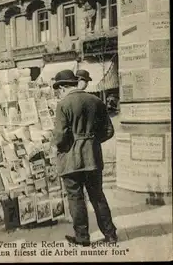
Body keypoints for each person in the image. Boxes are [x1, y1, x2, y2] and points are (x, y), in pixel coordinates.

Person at [52, 69, 117, 246]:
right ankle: (110, 235)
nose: (59, 93)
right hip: (93, 158)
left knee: (76, 198)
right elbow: (109, 131)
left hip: (71, 160)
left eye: (59, 89)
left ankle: (82, 238)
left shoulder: (63, 104)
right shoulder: (96, 101)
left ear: (64, 87)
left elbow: (59, 137)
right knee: (98, 196)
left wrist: (62, 147)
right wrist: (93, 142)